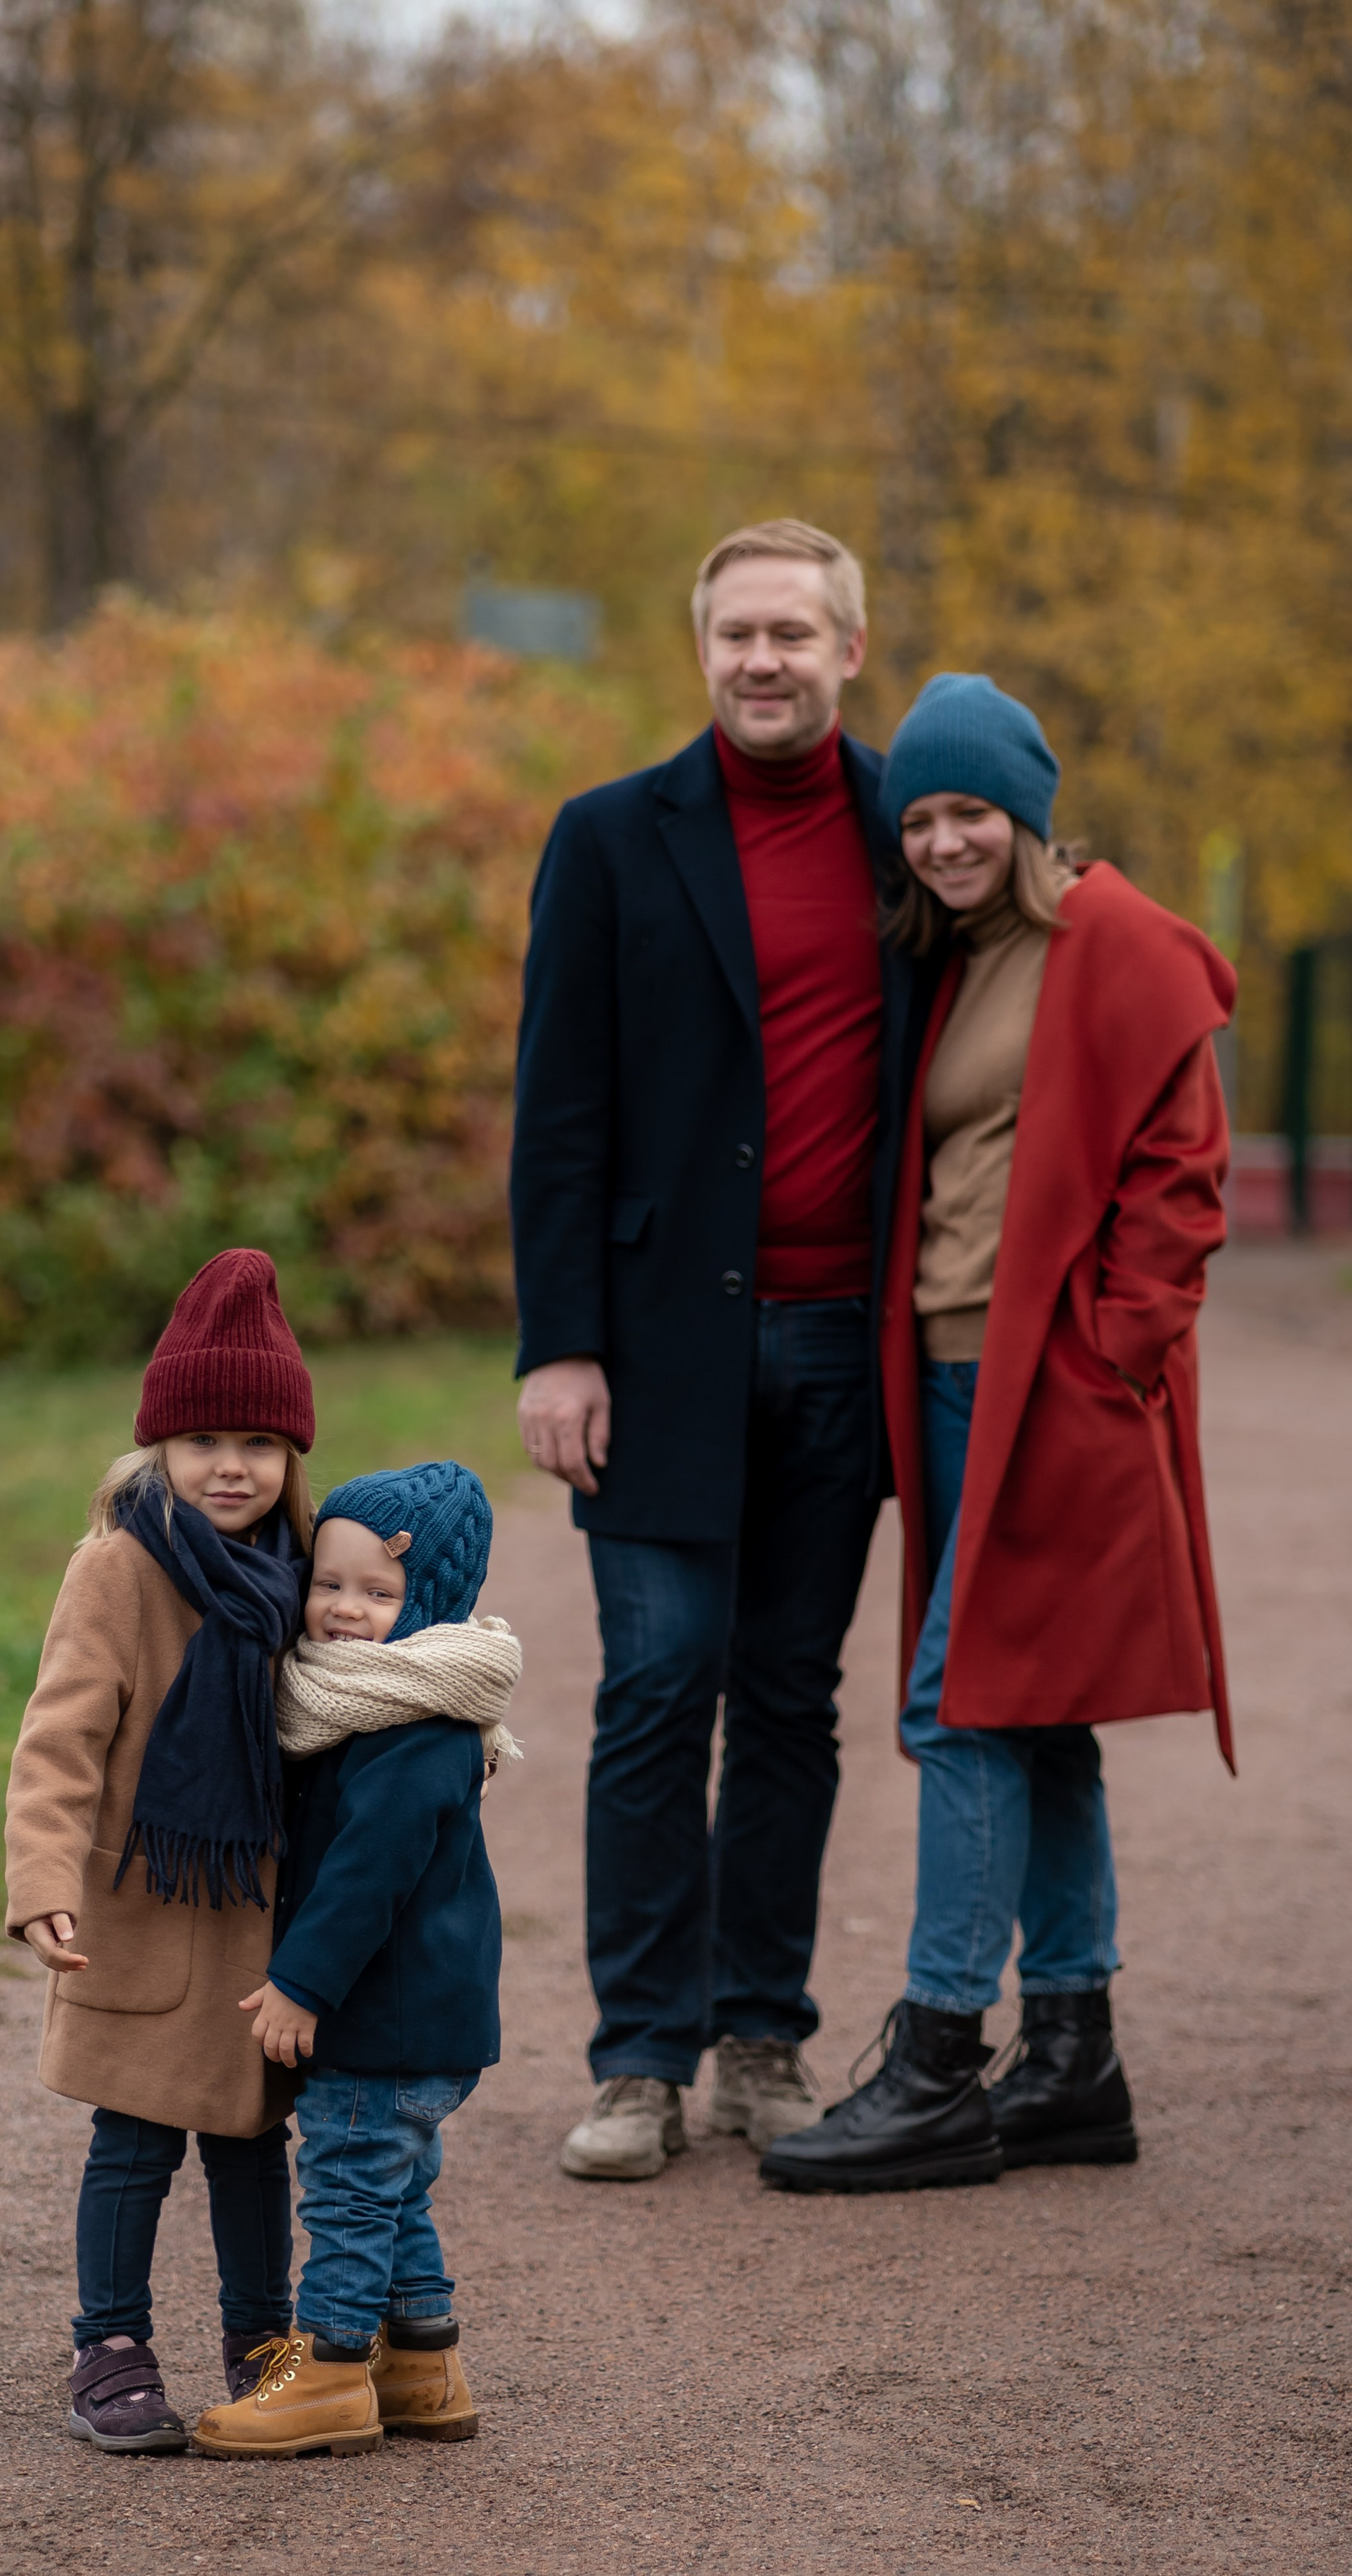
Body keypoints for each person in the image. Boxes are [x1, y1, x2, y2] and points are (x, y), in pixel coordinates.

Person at [761, 673, 1234, 2195]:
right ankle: (1074, 2057)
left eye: (969, 813)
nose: (943, 840)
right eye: (920, 819)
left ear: (1025, 814)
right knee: (1031, 1713)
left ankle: (938, 2064)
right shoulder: (958, 954)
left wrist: (1113, 1350)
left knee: (955, 1707)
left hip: (1057, 1393)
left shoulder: (1121, 945)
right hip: (955, 1382)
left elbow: (1181, 1176)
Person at [509, 519, 937, 2180]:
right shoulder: (611, 838)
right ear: (702, 652)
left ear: (846, 646)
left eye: (790, 633)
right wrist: (562, 1349)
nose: (760, 660)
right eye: (734, 634)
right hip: (657, 1354)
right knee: (654, 1687)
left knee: (783, 1697)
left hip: (846, 1348)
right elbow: (557, 1119)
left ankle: (760, 2038)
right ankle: (636, 2059)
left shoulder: (918, 831)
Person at [4, 1248, 314, 2450]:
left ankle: (264, 2341)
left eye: (257, 1442)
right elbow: (57, 1745)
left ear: (290, 1456)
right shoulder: (119, 1570)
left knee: (251, 2145)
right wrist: (41, 1882)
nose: (230, 1465)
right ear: (159, 1452)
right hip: (139, 1919)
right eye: (203, 1442)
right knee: (132, 2144)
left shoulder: (301, 1575)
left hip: (257, 1927)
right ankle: (111, 2347)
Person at [191, 1463, 522, 2460]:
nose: (342, 1610)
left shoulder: (416, 1723)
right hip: (421, 2024)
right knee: (394, 2189)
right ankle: (422, 2361)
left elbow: (367, 1878)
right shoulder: (376, 1702)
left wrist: (302, 1983)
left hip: (384, 2021)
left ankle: (327, 2373)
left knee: (343, 2191)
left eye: (377, 1595)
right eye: (327, 1585)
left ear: (429, 1602)